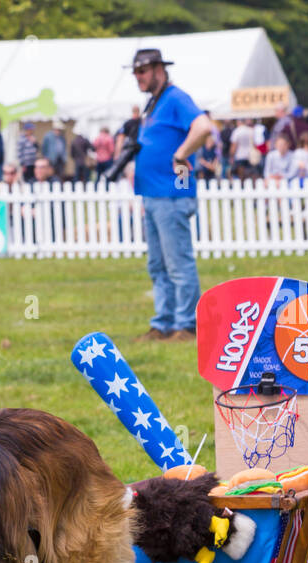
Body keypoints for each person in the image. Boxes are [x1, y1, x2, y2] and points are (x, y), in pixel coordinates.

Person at [129, 48, 213, 342]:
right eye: (135, 72)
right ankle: (163, 324)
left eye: (141, 71)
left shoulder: (176, 98)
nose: (137, 77)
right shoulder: (153, 103)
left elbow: (203, 127)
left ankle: (187, 325)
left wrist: (181, 154)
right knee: (157, 265)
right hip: (153, 194)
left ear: (157, 70)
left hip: (172, 193)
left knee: (177, 262)